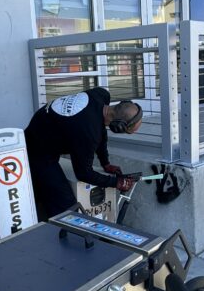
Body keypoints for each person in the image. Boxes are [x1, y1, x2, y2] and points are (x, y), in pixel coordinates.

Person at [24, 87, 142, 221]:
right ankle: (60, 236)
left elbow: (101, 131)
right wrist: (115, 182)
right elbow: (83, 173)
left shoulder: (101, 95)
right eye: (128, 131)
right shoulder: (88, 133)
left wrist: (105, 163)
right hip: (38, 149)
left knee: (46, 189)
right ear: (118, 126)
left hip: (40, 130)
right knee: (66, 207)